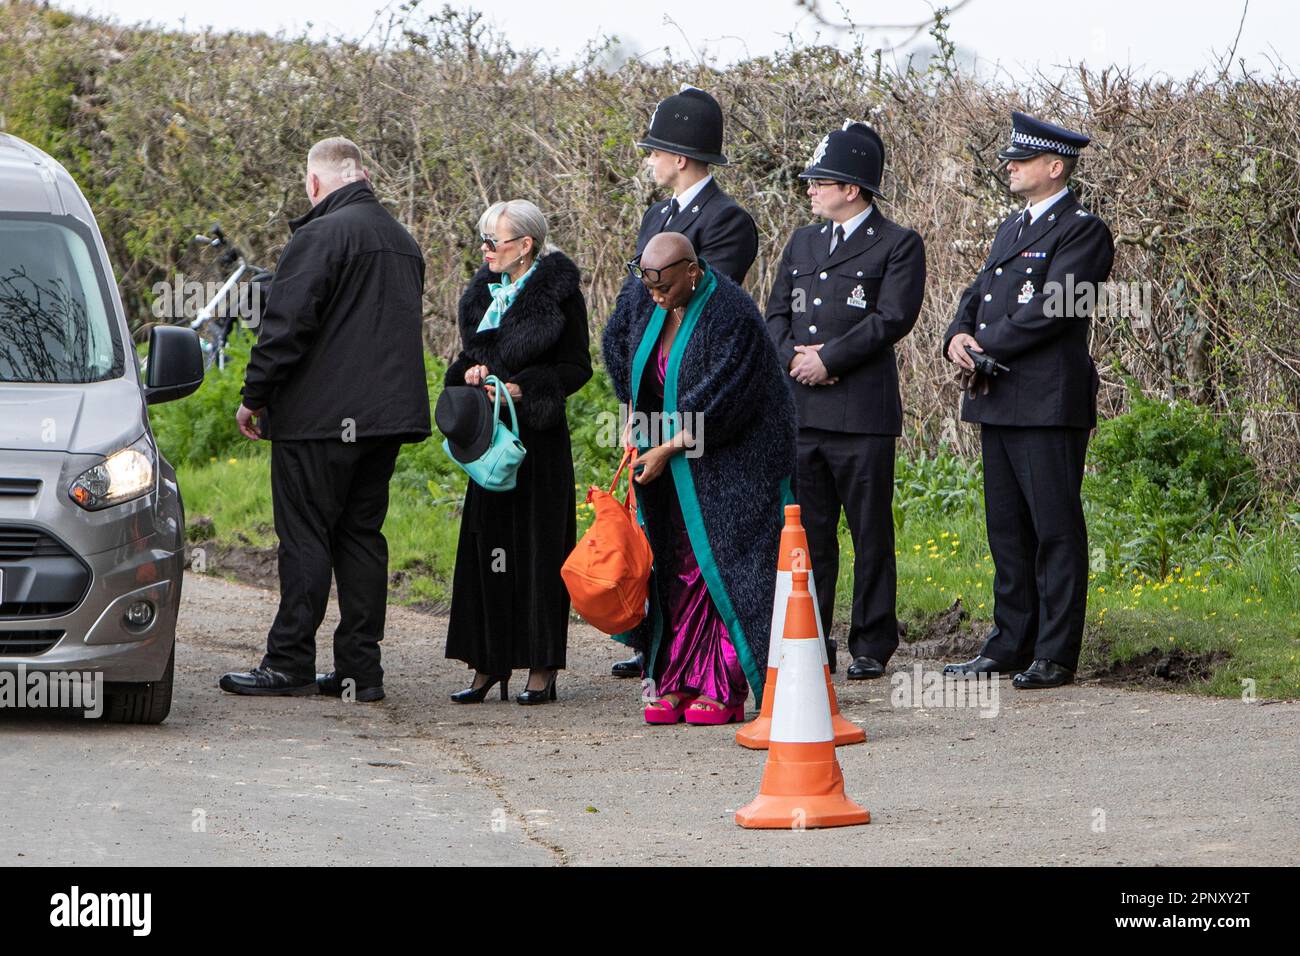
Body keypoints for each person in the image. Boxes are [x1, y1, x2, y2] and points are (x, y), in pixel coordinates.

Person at [220, 136, 430, 701]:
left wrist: (253, 395)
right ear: (362, 175)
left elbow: (285, 328)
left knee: (306, 536)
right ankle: (362, 670)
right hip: (383, 423)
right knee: (361, 537)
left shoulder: (319, 235)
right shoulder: (402, 241)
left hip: (319, 421)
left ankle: (288, 660)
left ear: (315, 184)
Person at [941, 111, 1115, 689]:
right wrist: (957, 337)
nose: (1010, 167)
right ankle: (1010, 641)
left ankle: (1055, 651)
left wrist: (986, 340)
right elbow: (978, 292)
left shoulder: (1084, 230)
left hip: (1046, 401)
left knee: (1054, 528)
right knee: (1007, 529)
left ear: (1054, 166)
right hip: (998, 396)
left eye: (1020, 160)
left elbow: (1057, 305)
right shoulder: (1012, 227)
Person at [602, 231, 796, 724]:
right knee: (676, 565)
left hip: (736, 462)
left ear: (692, 271)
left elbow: (728, 401)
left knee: (723, 567)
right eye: (649, 287)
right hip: (671, 459)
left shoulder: (732, 314)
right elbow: (619, 349)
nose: (656, 298)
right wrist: (633, 417)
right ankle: (674, 679)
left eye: (664, 288)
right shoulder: (644, 297)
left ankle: (721, 684)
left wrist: (666, 447)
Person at [766, 121, 926, 679]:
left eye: (819, 180)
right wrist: (792, 358)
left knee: (869, 531)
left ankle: (871, 643)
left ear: (851, 188)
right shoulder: (804, 241)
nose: (809, 188)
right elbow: (776, 311)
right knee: (808, 537)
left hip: (862, 414)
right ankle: (813, 638)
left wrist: (828, 359)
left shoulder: (898, 243)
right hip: (803, 413)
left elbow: (893, 318)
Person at [611, 85, 760, 680]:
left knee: (701, 525)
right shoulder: (659, 216)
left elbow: (701, 308)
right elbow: (636, 305)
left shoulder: (728, 221)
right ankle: (659, 641)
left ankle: (707, 656)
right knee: (658, 520)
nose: (649, 159)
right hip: (652, 381)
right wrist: (630, 393)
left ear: (681, 157)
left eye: (655, 150)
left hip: (696, 390)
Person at [443, 199, 592, 705]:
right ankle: (487, 662)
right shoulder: (481, 292)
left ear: (525, 245)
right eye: (483, 239)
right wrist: (468, 374)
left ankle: (541, 665)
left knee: (539, 547)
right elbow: (468, 356)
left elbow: (577, 368)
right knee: (487, 545)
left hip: (538, 440)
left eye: (494, 240)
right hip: (489, 441)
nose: (484, 249)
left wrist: (530, 388)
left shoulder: (560, 294)